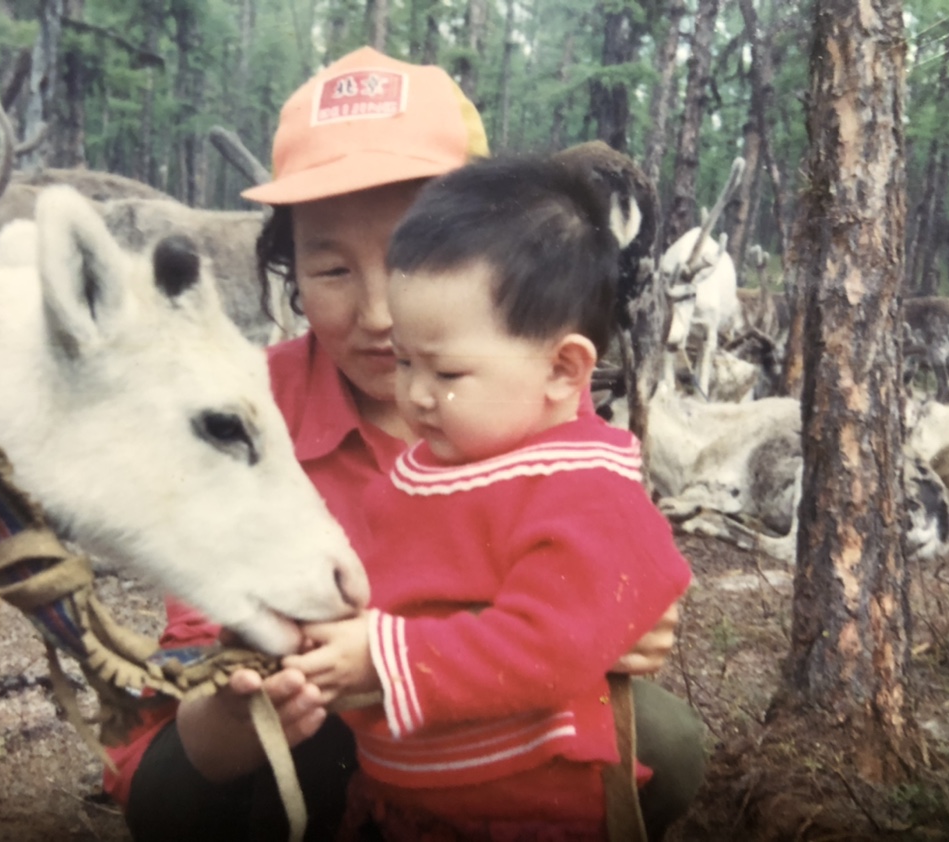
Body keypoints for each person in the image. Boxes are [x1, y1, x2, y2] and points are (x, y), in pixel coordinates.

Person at [103, 46, 704, 842]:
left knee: (662, 741)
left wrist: (616, 608)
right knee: (198, 793)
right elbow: (188, 662)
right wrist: (238, 687)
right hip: (298, 740)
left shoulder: (536, 403)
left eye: (409, 258)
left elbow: (601, 561)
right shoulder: (243, 417)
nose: (381, 314)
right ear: (286, 269)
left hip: (475, 732)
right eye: (330, 269)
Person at [279, 154, 692, 841]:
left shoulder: (581, 486)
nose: (413, 393)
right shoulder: (439, 465)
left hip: (524, 805)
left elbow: (549, 645)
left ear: (563, 370)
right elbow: (385, 588)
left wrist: (384, 658)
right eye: (406, 362)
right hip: (401, 796)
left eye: (445, 372)